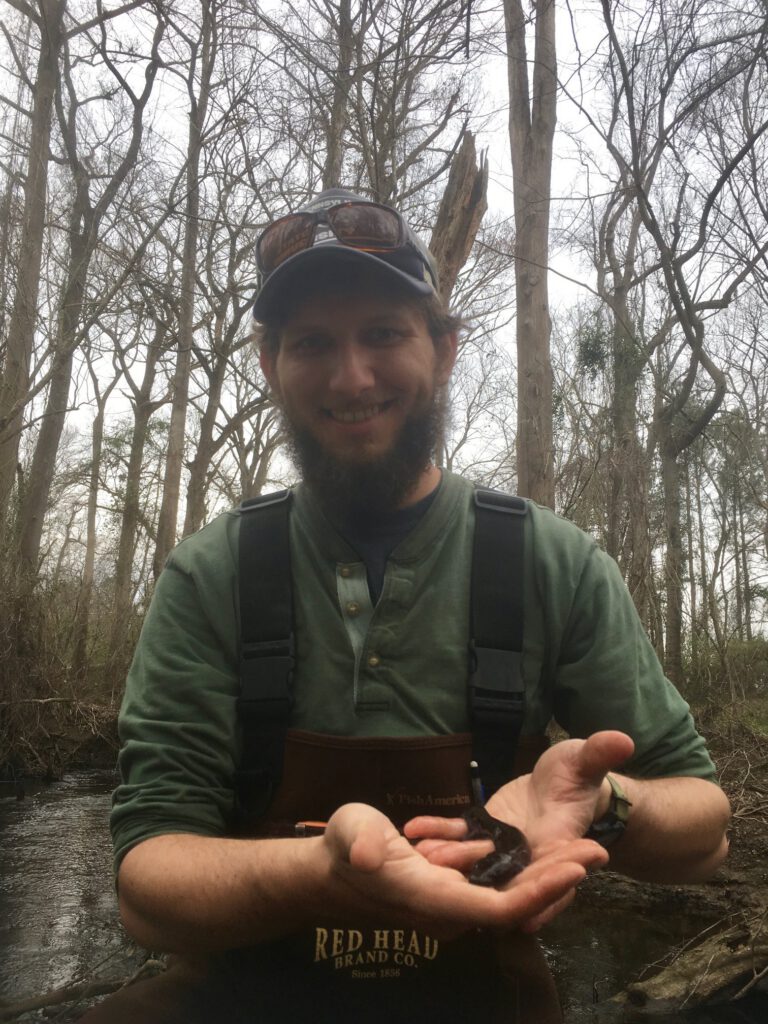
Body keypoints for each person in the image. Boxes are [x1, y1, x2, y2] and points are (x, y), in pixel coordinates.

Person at [82, 189, 730, 1023]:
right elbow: (147, 884)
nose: (351, 377)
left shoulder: (552, 562)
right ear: (269, 363)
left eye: (384, 333)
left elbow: (706, 828)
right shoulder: (212, 575)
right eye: (313, 343)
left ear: (447, 348)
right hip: (244, 994)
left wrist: (604, 808)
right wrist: (323, 873)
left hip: (482, 991)